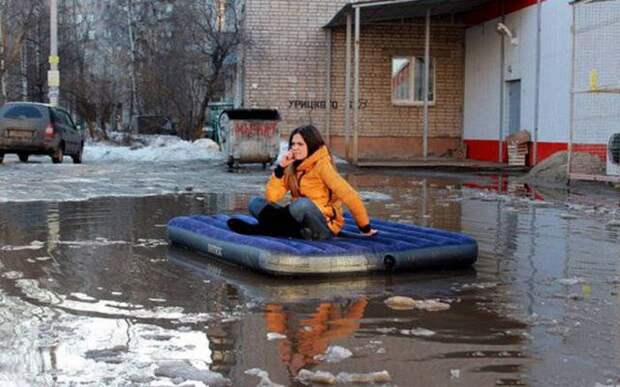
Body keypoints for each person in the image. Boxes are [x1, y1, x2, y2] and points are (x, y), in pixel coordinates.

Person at [227, 124, 377, 240]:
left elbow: (350, 196)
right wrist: (280, 169)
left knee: (302, 204)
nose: (295, 148)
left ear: (311, 145)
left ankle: (261, 229)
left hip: (322, 226)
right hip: (296, 221)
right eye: (293, 144)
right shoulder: (293, 167)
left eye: (300, 144)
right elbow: (272, 198)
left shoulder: (323, 166)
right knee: (255, 202)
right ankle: (283, 229)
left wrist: (365, 228)